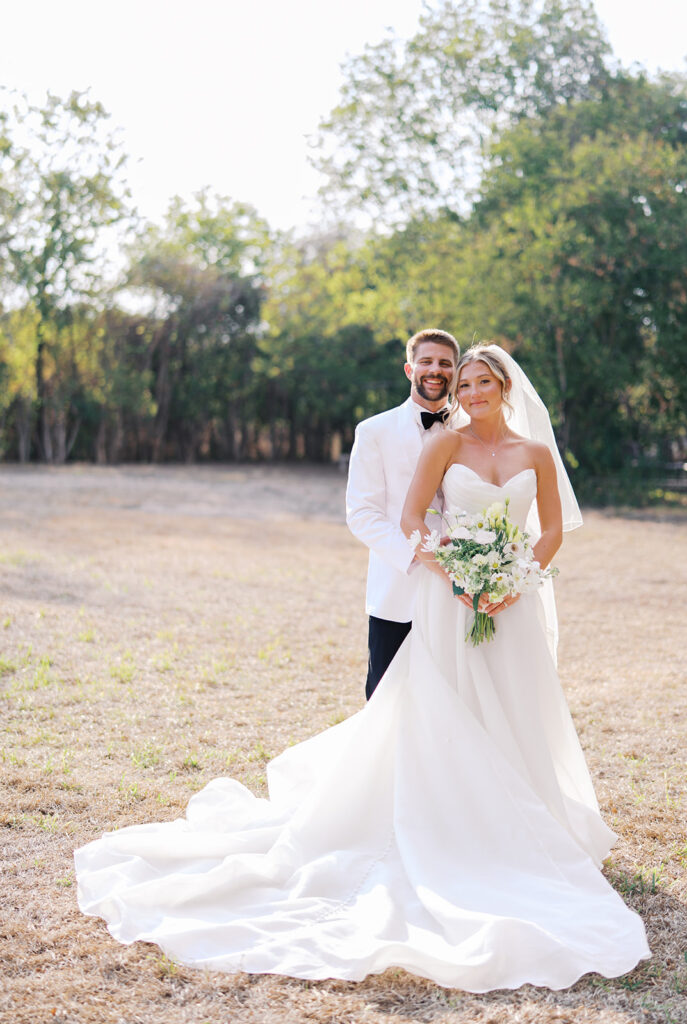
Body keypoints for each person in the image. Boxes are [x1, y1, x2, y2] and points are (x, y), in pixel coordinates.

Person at [74, 344, 650, 992]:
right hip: (444, 596)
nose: (471, 391)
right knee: (434, 713)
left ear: (506, 386)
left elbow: (552, 530)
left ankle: (525, 826)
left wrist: (516, 577)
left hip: (509, 606)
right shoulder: (439, 445)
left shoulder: (536, 454)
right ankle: (445, 827)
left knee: (513, 709)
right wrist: (455, 572)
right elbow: (407, 518)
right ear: (435, 381)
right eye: (464, 383)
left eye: (482, 381)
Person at [346, 327, 460, 699]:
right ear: (410, 370)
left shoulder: (471, 432)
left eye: (445, 363)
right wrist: (421, 556)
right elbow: (362, 513)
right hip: (397, 586)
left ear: (456, 371)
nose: (435, 369)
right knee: (386, 696)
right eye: (426, 361)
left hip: (461, 586)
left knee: (453, 695)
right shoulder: (374, 431)